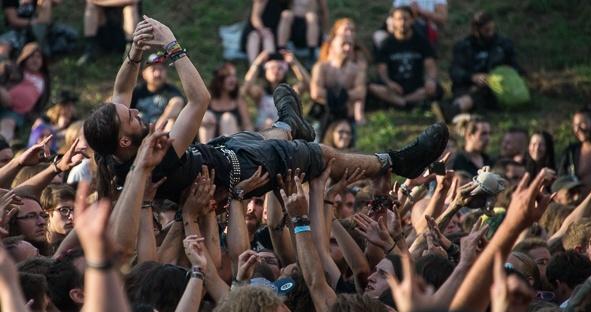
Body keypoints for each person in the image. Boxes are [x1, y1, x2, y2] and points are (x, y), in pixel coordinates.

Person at [84, 19, 448, 205]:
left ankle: (290, 123)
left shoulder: (114, 154)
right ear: (125, 140)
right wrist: (171, 45)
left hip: (221, 153)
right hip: (243, 172)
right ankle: (397, 162)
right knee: (323, 156)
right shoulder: (156, 161)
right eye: (130, 117)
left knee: (266, 135)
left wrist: (135, 52)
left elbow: (120, 92)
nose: (136, 110)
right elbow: (199, 100)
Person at [435, 11, 523, 121]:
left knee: (479, 92)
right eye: (486, 30)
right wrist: (472, 77)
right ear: (476, 29)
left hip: (496, 88)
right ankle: (454, 109)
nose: (489, 33)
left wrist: (497, 77)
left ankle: (453, 110)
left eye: (491, 29)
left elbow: (514, 67)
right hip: (467, 86)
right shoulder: (464, 47)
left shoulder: (503, 45)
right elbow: (455, 71)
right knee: (473, 93)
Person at [369, 6, 442, 109]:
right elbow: (382, 70)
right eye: (399, 19)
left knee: (435, 89)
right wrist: (389, 83)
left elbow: (430, 65)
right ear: (393, 21)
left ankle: (402, 102)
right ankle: (405, 103)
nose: (402, 23)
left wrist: (430, 80)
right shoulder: (386, 44)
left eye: (405, 19)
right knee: (372, 87)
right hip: (395, 87)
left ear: (412, 20)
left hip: (416, 85)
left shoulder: (422, 41)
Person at [241, 50, 310, 130]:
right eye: (272, 68)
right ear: (266, 71)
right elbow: (246, 88)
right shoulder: (260, 92)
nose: (276, 71)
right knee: (269, 123)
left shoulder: (290, 91)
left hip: (286, 132)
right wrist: (257, 62)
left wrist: (294, 64)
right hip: (264, 132)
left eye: (280, 68)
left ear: (284, 72)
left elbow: (308, 84)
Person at [311, 33, 366, 125]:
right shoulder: (321, 67)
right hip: (323, 115)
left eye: (350, 45)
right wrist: (343, 96)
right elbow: (315, 93)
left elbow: (360, 93)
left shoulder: (357, 70)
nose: (347, 48)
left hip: (346, 116)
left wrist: (337, 95)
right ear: (332, 47)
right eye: (343, 44)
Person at [0, 42, 50, 141]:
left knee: (7, 126)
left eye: (38, 57)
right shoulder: (13, 68)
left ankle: (2, 143)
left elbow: (39, 106)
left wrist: (37, 118)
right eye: (31, 56)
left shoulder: (44, 80)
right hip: (2, 101)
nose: (35, 60)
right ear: (25, 57)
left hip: (16, 113)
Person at [199, 63, 253, 142]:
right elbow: (193, 121)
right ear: (219, 79)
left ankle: (229, 149)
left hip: (232, 141)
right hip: (209, 141)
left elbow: (247, 125)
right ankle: (205, 149)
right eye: (228, 76)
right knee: (207, 116)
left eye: (234, 76)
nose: (233, 79)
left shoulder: (238, 99)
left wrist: (252, 142)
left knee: (227, 118)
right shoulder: (208, 97)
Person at [131, 54, 185, 128]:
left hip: (161, 130)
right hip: (137, 131)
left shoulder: (171, 90)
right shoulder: (137, 91)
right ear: (144, 73)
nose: (157, 74)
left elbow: (177, 102)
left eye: (161, 69)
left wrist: (158, 126)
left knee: (172, 120)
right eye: (153, 70)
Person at [78, 0, 140, 64]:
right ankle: (91, 48)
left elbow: (132, 1)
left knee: (130, 8)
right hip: (104, 31)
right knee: (91, 7)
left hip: (124, 34)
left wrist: (102, 2)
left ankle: (130, 50)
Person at [559, 106, 591, 197]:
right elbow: (560, 182)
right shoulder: (571, 152)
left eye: (582, 123)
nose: (577, 129)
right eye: (575, 125)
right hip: (579, 204)